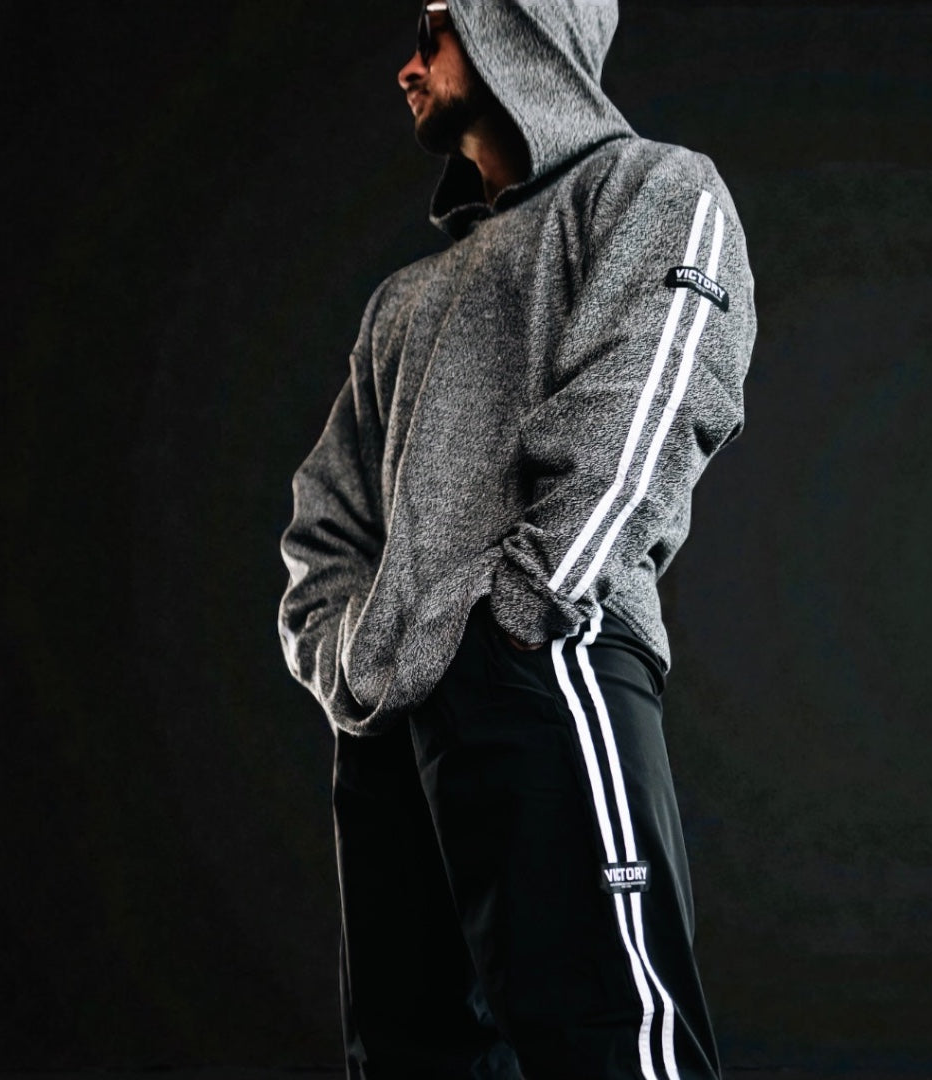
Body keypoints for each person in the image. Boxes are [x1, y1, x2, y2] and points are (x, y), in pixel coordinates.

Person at [277, 1, 756, 1076]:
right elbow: (325, 522)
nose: (406, 69)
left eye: (432, 33)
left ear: (515, 25)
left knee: (610, 1045)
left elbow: (655, 396)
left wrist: (526, 615)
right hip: (391, 719)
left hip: (551, 659)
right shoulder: (401, 303)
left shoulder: (652, 188)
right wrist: (355, 666)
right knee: (410, 1057)